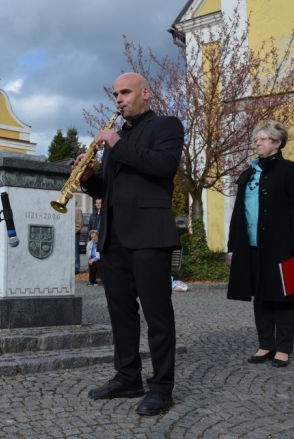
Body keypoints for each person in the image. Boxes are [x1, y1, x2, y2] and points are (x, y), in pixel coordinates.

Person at [78, 72, 184, 416]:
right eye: (116, 94)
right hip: (114, 238)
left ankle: (162, 387)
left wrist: (115, 144)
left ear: (146, 93)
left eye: (125, 92)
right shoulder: (118, 138)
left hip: (150, 235)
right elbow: (107, 190)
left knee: (158, 315)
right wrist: (91, 178)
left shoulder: (167, 126)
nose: (119, 99)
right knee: (121, 313)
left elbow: (163, 166)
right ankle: (127, 377)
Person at [226, 120, 294, 368]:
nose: (257, 143)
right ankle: (265, 344)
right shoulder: (249, 172)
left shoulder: (292, 170)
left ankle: (283, 347)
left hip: (281, 244)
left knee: (283, 296)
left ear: (277, 142)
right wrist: (233, 246)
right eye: (256, 139)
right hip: (251, 245)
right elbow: (238, 212)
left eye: (262, 139)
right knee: (260, 296)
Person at [74, 205, 83, 274]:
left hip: (75, 234)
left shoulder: (77, 210)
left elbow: (79, 224)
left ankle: (76, 268)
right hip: (67, 234)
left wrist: (73, 232)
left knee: (75, 251)